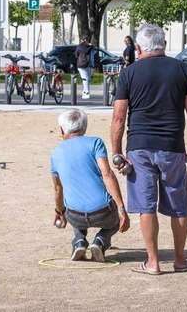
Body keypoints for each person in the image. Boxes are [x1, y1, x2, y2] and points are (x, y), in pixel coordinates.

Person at [111, 23, 187, 275]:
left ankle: (152, 262)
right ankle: (180, 259)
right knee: (179, 204)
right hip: (172, 145)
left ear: (138, 48)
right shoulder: (182, 70)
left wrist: (116, 151)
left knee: (145, 205)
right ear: (163, 44)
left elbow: (119, 117)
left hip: (139, 146)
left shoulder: (128, 73)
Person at [50, 109, 130, 262]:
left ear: (61, 130)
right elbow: (107, 174)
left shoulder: (55, 153)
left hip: (75, 216)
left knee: (71, 205)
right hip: (102, 212)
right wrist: (121, 208)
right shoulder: (95, 143)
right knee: (114, 222)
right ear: (84, 128)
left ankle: (79, 241)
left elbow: (58, 189)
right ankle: (100, 241)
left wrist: (60, 211)